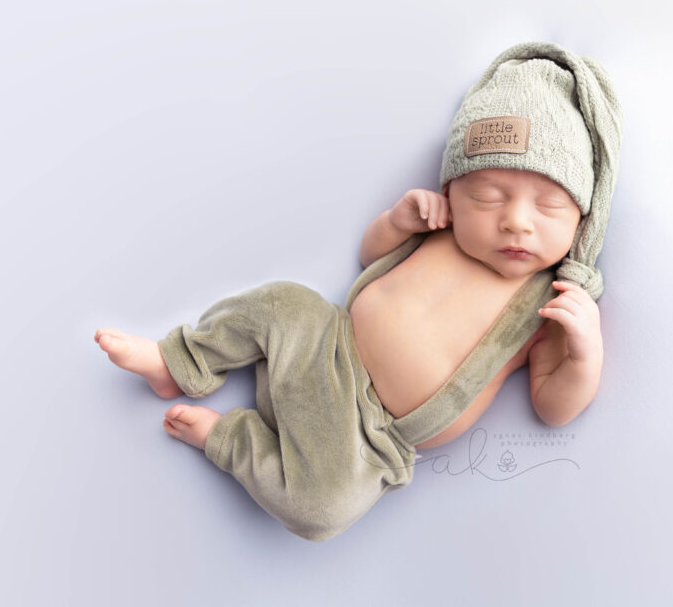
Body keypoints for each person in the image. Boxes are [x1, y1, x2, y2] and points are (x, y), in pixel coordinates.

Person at [94, 41, 623, 541]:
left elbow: (553, 407)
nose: (516, 223)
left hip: (366, 440)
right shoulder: (441, 228)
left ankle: (229, 440)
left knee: (324, 511)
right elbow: (373, 256)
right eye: (488, 196)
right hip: (324, 343)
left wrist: (584, 352)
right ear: (451, 193)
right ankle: (179, 362)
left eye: (549, 206)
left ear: (583, 220)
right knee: (281, 302)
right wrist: (397, 221)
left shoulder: (548, 304)